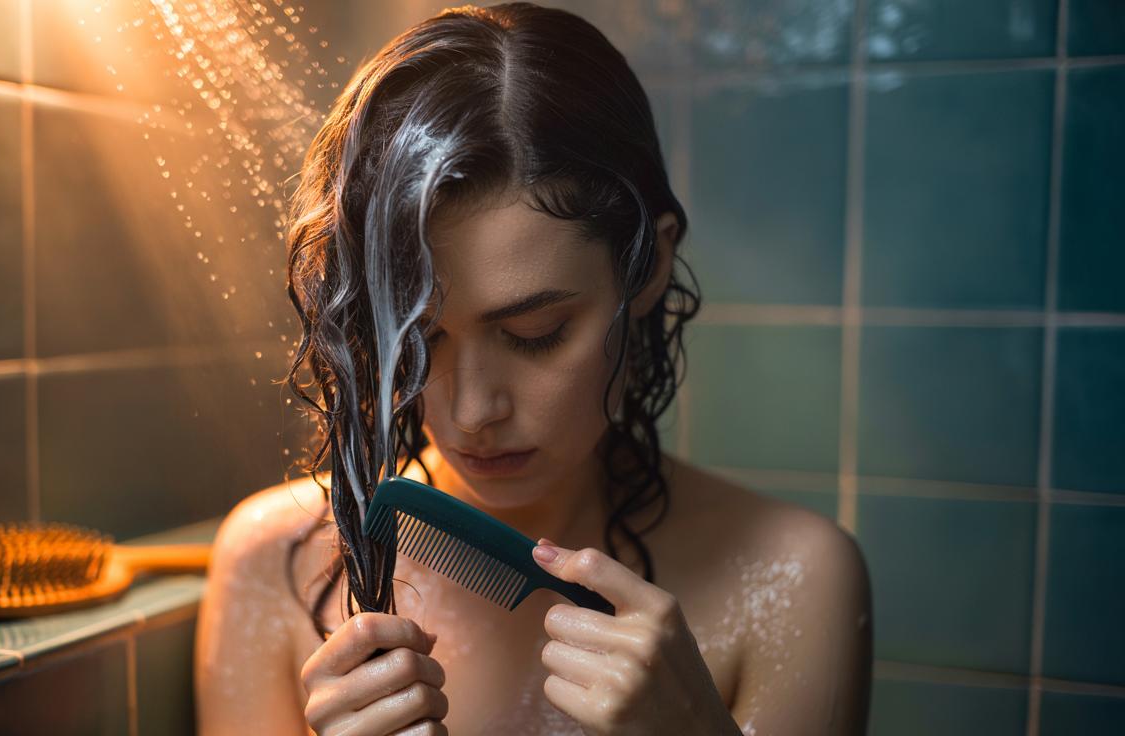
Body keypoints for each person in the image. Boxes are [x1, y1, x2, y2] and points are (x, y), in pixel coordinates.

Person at [195, 3, 871, 734]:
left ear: (648, 269)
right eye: (416, 342)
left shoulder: (794, 581)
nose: (470, 412)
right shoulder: (276, 568)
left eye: (534, 333)